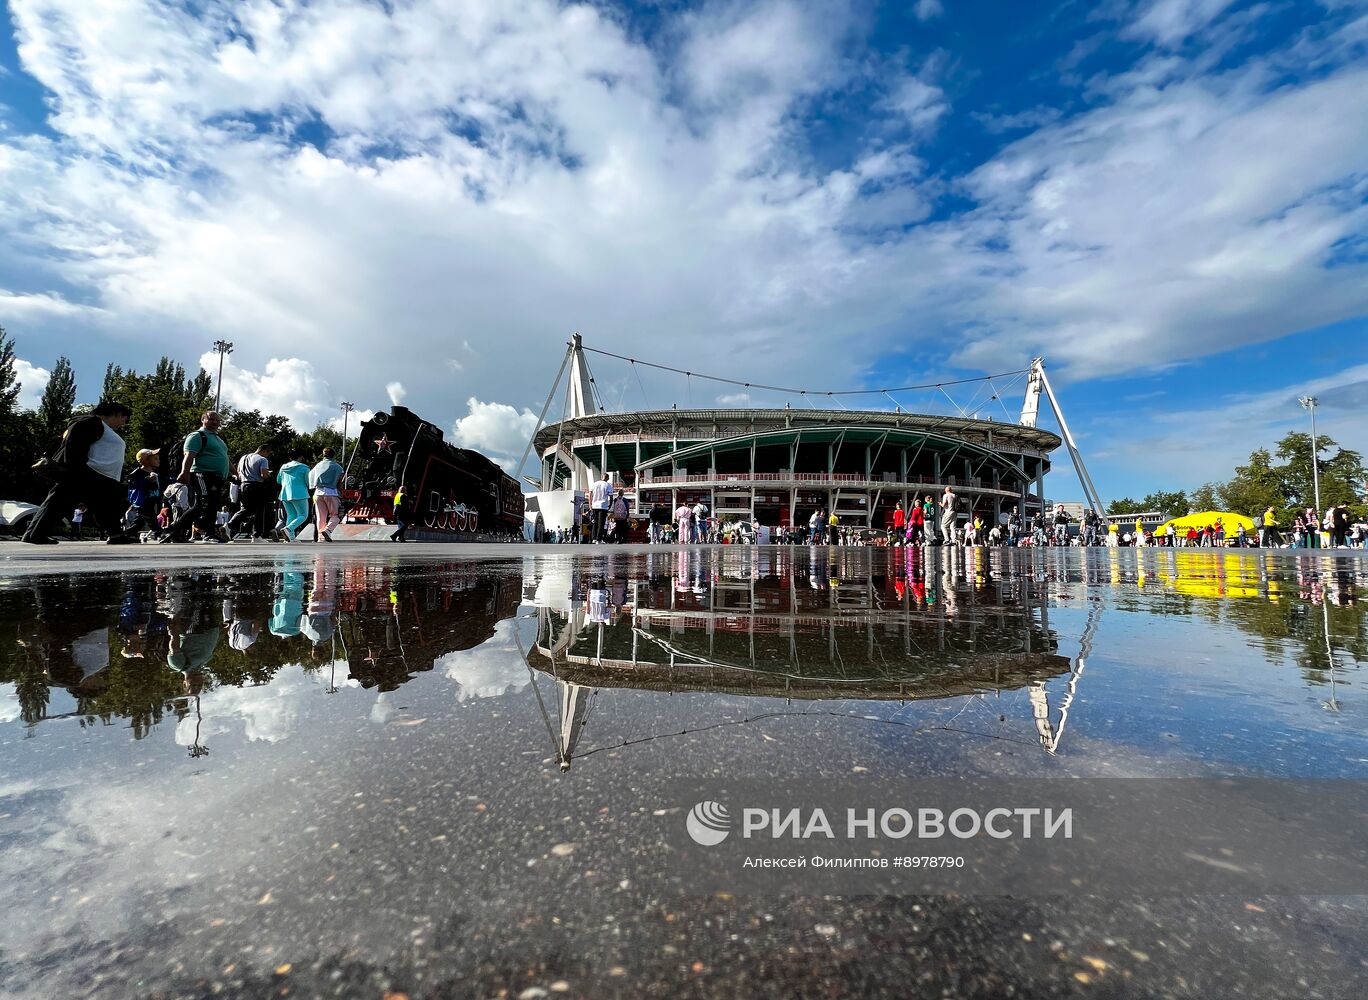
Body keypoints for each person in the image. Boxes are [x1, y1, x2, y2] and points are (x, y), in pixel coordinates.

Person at [24, 401, 138, 545]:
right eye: (124, 419)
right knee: (60, 502)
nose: (123, 424)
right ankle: (36, 534)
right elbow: (75, 445)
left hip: (95, 475)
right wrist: (76, 470)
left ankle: (115, 534)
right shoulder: (92, 422)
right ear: (117, 414)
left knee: (102, 504)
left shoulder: (97, 425)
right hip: (87, 473)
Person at [166, 411, 230, 544]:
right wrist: (185, 472)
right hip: (202, 474)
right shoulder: (197, 435)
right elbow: (189, 455)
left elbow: (225, 459)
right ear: (203, 420)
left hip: (216, 477)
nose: (215, 422)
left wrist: (234, 473)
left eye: (218, 421)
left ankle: (176, 531)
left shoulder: (218, 439)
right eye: (211, 419)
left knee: (209, 505)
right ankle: (207, 533)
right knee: (205, 503)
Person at [226, 444, 273, 540]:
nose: (267, 456)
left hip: (243, 485)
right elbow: (263, 474)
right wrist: (269, 475)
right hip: (256, 486)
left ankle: (229, 526)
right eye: (268, 453)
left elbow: (238, 472)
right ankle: (256, 535)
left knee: (247, 509)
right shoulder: (263, 459)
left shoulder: (244, 457)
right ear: (265, 451)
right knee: (259, 510)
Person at [126, 448, 163, 537]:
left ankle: (128, 533)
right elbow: (133, 486)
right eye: (155, 458)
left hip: (152, 499)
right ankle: (160, 532)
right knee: (151, 519)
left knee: (140, 521)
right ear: (145, 460)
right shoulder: (137, 473)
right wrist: (146, 481)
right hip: (143, 501)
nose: (158, 461)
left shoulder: (155, 472)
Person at [275, 449, 311, 541]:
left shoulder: (283, 467)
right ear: (300, 457)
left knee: (291, 515)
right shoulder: (304, 468)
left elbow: (278, 480)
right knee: (303, 515)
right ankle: (288, 529)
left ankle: (290, 537)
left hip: (284, 494)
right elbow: (308, 482)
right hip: (300, 494)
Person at [309, 448, 344, 542]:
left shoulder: (318, 465)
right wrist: (341, 493)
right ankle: (328, 530)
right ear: (333, 455)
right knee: (336, 515)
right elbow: (339, 482)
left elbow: (311, 477)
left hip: (318, 492)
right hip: (331, 492)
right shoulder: (338, 467)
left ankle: (321, 537)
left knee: (320, 516)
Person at [590, 474, 612, 543]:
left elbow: (590, 493)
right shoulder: (608, 485)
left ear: (601, 477)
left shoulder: (595, 484)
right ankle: (598, 539)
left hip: (594, 505)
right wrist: (610, 505)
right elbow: (611, 496)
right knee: (601, 523)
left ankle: (593, 538)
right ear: (607, 478)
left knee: (595, 522)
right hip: (603, 506)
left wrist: (590, 504)